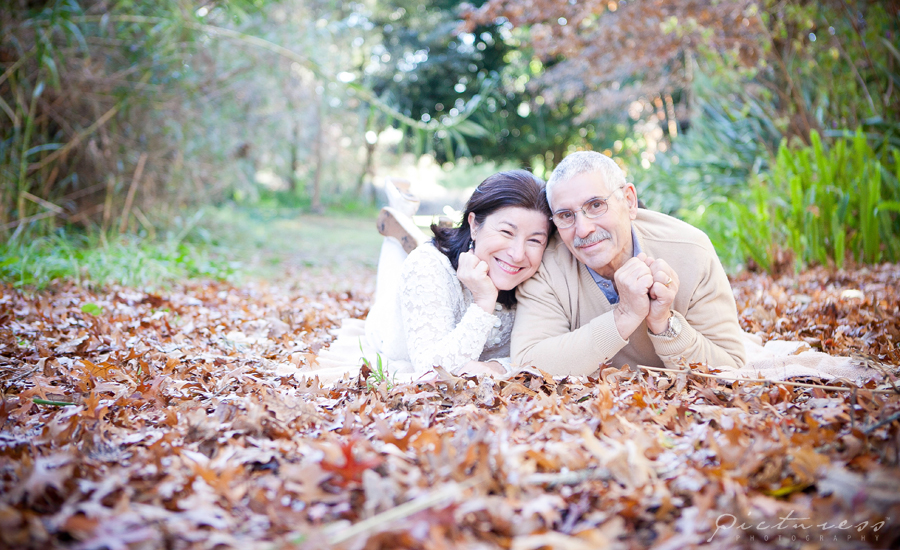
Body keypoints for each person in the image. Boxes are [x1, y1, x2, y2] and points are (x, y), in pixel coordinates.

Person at [511, 151, 746, 376]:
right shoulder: (546, 264)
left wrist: (664, 324)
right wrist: (624, 316)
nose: (583, 229)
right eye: (565, 215)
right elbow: (528, 365)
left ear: (630, 201)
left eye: (595, 205)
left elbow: (731, 366)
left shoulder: (691, 250)